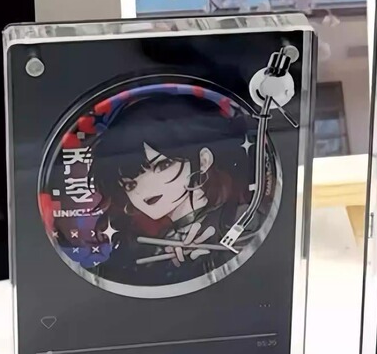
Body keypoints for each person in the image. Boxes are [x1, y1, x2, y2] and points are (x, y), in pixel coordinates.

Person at [86, 91, 254, 285]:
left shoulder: (241, 219)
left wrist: (214, 258)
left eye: (162, 166)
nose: (144, 188)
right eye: (130, 184)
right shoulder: (145, 247)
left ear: (203, 160)